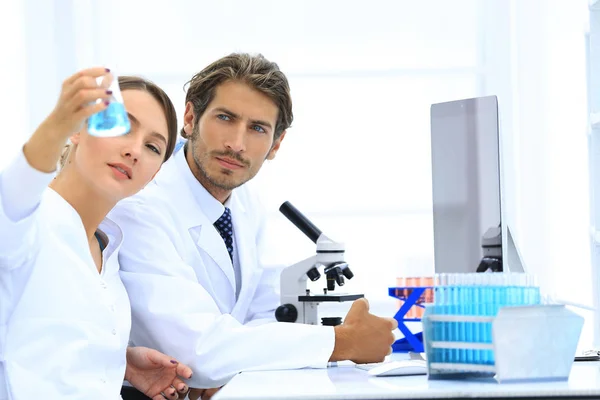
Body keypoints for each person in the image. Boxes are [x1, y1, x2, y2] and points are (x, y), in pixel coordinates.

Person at [109, 53, 398, 395]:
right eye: (225, 118)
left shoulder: (243, 202)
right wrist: (342, 342)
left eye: (257, 128)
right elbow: (197, 350)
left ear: (276, 144)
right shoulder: (138, 207)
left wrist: (230, 370)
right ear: (190, 118)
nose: (236, 143)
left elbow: (264, 312)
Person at [0, 67, 193, 399]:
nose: (134, 150)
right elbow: (12, 198)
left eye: (152, 147)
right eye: (122, 128)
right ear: (77, 130)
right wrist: (57, 124)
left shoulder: (108, 249)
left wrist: (116, 363)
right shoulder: (27, 220)